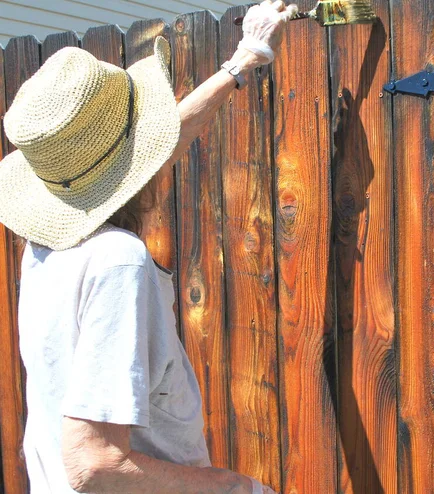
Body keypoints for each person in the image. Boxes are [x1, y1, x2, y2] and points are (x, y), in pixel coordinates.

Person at [0, 1, 297, 492]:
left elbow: (155, 149)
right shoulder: (116, 261)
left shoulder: (46, 249)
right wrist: (234, 487)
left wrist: (242, 62)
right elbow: (93, 463)